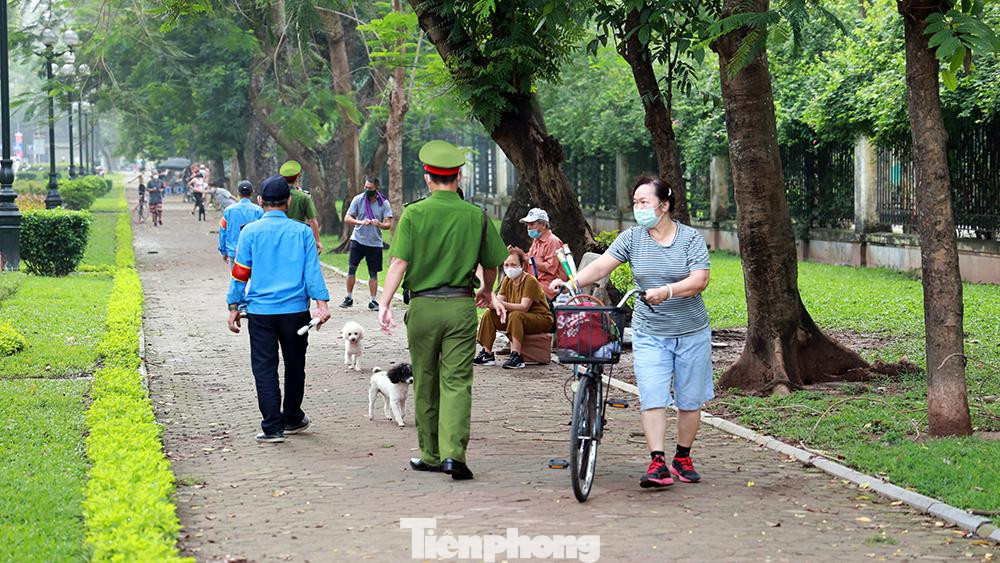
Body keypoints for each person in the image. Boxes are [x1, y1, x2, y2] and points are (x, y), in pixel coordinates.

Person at [550, 175, 712, 489]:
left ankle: (682, 456)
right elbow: (601, 266)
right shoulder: (632, 237)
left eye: (644, 202)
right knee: (652, 395)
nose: (638, 208)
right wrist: (571, 283)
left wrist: (666, 291)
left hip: (691, 331)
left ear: (663, 206)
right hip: (649, 331)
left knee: (690, 400)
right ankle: (657, 462)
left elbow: (699, 280)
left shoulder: (690, 239)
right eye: (635, 202)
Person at [378, 140, 508, 481]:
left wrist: (386, 302)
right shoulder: (476, 215)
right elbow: (492, 262)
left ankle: (431, 454)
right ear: (459, 177)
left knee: (425, 379)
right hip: (460, 307)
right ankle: (455, 456)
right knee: (457, 381)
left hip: (422, 308)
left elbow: (398, 263)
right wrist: (486, 290)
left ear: (427, 178)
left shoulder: (414, 213)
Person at [226, 175, 332, 443]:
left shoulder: (249, 232)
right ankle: (293, 417)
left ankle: (272, 427)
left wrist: (233, 306)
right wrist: (321, 305)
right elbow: (312, 272)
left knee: (264, 368)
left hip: (260, 313)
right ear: (288, 202)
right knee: (295, 365)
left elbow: (240, 273)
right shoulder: (303, 232)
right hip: (295, 312)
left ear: (261, 201)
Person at [473, 247, 554, 369]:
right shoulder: (507, 280)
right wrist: (490, 303)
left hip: (541, 319)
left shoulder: (529, 281)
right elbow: (499, 301)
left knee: (516, 315)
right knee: (489, 314)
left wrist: (501, 305)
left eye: (513, 265)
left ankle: (516, 355)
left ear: (522, 265)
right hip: (518, 318)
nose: (509, 268)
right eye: (506, 265)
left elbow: (524, 307)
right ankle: (487, 353)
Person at [341, 176, 393, 310]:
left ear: (376, 188)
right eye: (365, 187)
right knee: (351, 269)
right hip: (357, 240)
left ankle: (373, 301)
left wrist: (379, 224)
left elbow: (388, 224)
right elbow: (348, 218)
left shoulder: (384, 203)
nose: (366, 190)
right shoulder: (358, 199)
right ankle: (349, 297)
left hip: (375, 243)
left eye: (369, 188)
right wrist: (360, 222)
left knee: (373, 273)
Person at [519, 208, 568, 300]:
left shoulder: (553, 241)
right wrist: (516, 255)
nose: (528, 227)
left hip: (549, 286)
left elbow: (550, 267)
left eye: (532, 224)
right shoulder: (537, 240)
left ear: (543, 225)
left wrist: (529, 261)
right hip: (535, 282)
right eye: (527, 224)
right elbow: (528, 257)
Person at [279, 160, 323, 253]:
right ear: (298, 176)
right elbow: (312, 220)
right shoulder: (304, 197)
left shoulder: (276, 195)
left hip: (279, 237)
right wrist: (317, 241)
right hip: (297, 238)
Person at [218, 180, 264, 264]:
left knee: (236, 276)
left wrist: (223, 251)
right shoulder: (258, 211)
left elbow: (223, 230)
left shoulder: (228, 210)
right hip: (253, 251)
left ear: (238, 193)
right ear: (252, 193)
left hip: (234, 251)